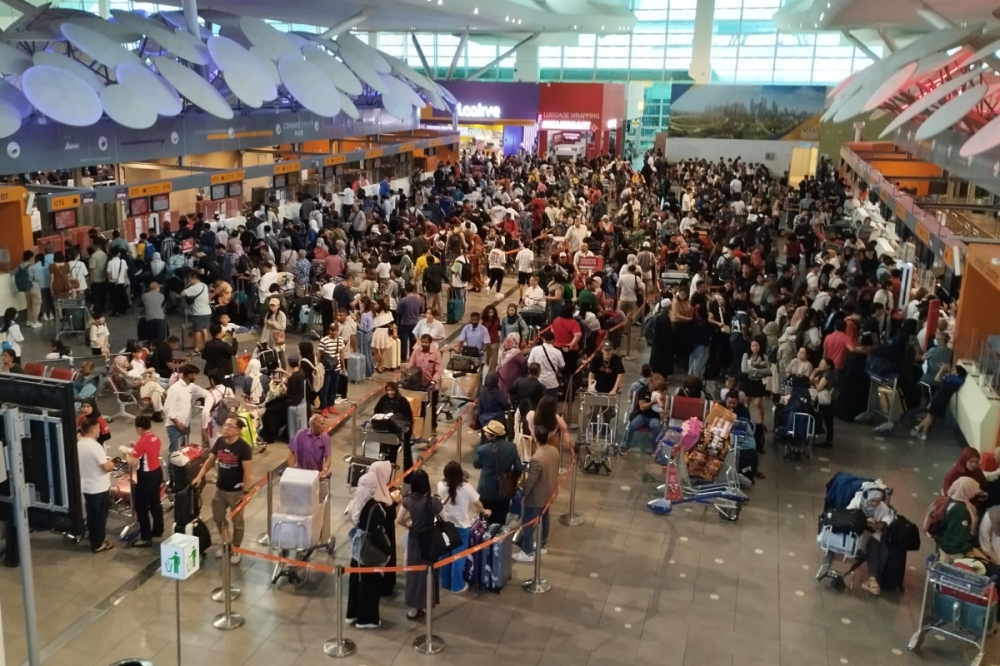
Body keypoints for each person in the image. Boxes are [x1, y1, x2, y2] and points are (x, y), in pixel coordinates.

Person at [193, 415, 252, 564]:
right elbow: (210, 461)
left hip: (236, 492)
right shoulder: (219, 442)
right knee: (219, 518)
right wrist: (200, 476)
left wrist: (245, 492)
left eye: (229, 426)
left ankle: (236, 549)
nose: (225, 428)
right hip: (220, 489)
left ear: (237, 430)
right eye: (224, 425)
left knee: (237, 522)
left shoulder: (243, 447)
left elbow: (247, 472)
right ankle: (227, 543)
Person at [347, 461, 399, 628]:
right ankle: (366, 619)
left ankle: (352, 613)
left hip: (357, 547)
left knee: (356, 582)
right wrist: (387, 550)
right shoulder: (374, 508)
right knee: (369, 584)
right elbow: (377, 534)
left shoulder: (358, 502)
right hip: (369, 550)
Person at [398, 468, 443, 620]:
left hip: (414, 541)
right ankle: (426, 602)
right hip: (429, 540)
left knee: (414, 573)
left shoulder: (407, 500)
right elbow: (445, 518)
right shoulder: (433, 502)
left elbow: (398, 520)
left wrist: (409, 526)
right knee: (428, 573)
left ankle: (413, 608)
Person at [437, 460, 489, 593]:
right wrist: (484, 511)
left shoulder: (441, 485)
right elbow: (477, 503)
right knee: (458, 556)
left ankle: (445, 581)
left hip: (446, 525)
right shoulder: (466, 487)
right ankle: (457, 585)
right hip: (462, 526)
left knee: (446, 555)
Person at [514, 421, 560, 562]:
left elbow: (531, 481)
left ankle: (527, 551)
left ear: (535, 438)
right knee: (545, 518)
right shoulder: (554, 450)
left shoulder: (536, 458)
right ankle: (542, 544)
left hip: (536, 496)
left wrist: (524, 495)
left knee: (527, 521)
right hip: (549, 491)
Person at [845, 482, 894, 596]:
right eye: (872, 501)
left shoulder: (881, 507)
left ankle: (873, 579)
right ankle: (873, 579)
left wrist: (879, 524)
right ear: (866, 497)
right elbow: (849, 515)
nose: (875, 504)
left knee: (882, 549)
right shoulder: (857, 501)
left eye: (877, 501)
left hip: (873, 533)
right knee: (873, 545)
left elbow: (888, 518)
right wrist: (864, 521)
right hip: (857, 534)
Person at [473, 420, 523, 526]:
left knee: (484, 522)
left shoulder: (483, 450)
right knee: (500, 521)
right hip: (504, 491)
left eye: (487, 432)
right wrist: (512, 479)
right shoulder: (511, 448)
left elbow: (476, 464)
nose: (485, 434)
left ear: (493, 436)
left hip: (486, 491)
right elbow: (519, 467)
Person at [125, 414, 164, 548]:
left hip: (146, 477)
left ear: (139, 428)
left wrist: (127, 453)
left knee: (141, 507)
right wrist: (136, 446)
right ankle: (158, 530)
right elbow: (149, 451)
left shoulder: (142, 442)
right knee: (155, 503)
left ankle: (146, 537)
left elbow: (132, 462)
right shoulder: (155, 438)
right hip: (157, 473)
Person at [77, 417, 116, 553]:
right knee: (100, 517)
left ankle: (93, 538)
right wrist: (113, 463)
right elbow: (105, 467)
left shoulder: (79, 444)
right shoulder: (95, 446)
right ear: (94, 429)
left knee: (92, 515)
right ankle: (98, 543)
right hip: (99, 487)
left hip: (87, 486)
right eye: (98, 428)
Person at [937, 477, 987, 563]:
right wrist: (971, 552)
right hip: (954, 549)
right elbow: (959, 536)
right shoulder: (960, 511)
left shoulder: (951, 501)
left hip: (945, 544)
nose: (975, 493)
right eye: (973, 489)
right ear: (967, 490)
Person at [912, 364, 967, 441]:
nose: (951, 370)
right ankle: (918, 427)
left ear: (957, 374)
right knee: (930, 416)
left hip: (938, 399)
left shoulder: (950, 379)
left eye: (954, 370)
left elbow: (937, 378)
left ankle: (923, 434)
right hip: (942, 400)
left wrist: (942, 369)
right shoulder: (957, 381)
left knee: (929, 417)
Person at [372, 382, 414, 478]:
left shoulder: (403, 401)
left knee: (402, 455)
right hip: (386, 433)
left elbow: (408, 418)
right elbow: (376, 412)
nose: (390, 392)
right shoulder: (383, 400)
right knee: (387, 455)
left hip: (399, 433)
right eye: (388, 390)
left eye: (392, 390)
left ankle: (406, 476)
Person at [163, 364, 208, 453]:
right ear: (189, 375)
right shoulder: (175, 389)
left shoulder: (191, 386)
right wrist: (177, 422)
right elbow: (167, 408)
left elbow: (204, 392)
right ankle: (172, 467)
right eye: (195, 375)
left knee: (184, 451)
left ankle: (181, 467)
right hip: (174, 426)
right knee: (175, 453)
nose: (196, 377)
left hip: (186, 424)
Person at [621, 373, 666, 453]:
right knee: (632, 425)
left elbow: (662, 405)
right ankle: (625, 445)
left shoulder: (659, 392)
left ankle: (655, 449)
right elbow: (642, 407)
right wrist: (652, 402)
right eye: (659, 382)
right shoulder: (643, 390)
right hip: (642, 415)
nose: (660, 384)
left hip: (654, 417)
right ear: (653, 381)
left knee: (657, 427)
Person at [408, 334, 443, 436]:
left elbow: (438, 370)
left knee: (431, 409)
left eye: (426, 342)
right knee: (419, 408)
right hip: (418, 386)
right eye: (422, 342)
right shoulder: (416, 352)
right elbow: (410, 365)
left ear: (430, 343)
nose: (424, 344)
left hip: (432, 386)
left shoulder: (436, 354)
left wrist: (433, 382)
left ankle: (433, 428)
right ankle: (420, 428)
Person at [527, 330, 564, 399]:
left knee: (537, 404)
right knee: (551, 405)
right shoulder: (557, 352)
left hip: (538, 381)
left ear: (543, 339)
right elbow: (562, 365)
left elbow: (529, 364)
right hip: (552, 382)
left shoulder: (535, 350)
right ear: (553, 340)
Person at [182, 273, 211, 354]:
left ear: (194, 279)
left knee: (197, 331)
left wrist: (188, 287)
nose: (189, 281)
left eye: (190, 280)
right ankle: (206, 347)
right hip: (207, 311)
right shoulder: (204, 285)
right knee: (204, 329)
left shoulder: (194, 287)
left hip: (199, 312)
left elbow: (183, 293)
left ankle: (196, 349)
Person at [260, 296, 288, 368]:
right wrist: (263, 339)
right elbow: (265, 328)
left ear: (278, 306)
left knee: (281, 356)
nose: (272, 307)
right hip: (269, 338)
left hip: (278, 338)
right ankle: (275, 372)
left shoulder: (281, 314)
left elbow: (283, 327)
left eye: (274, 305)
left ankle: (284, 372)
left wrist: (272, 323)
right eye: (271, 305)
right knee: (272, 357)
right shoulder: (268, 314)